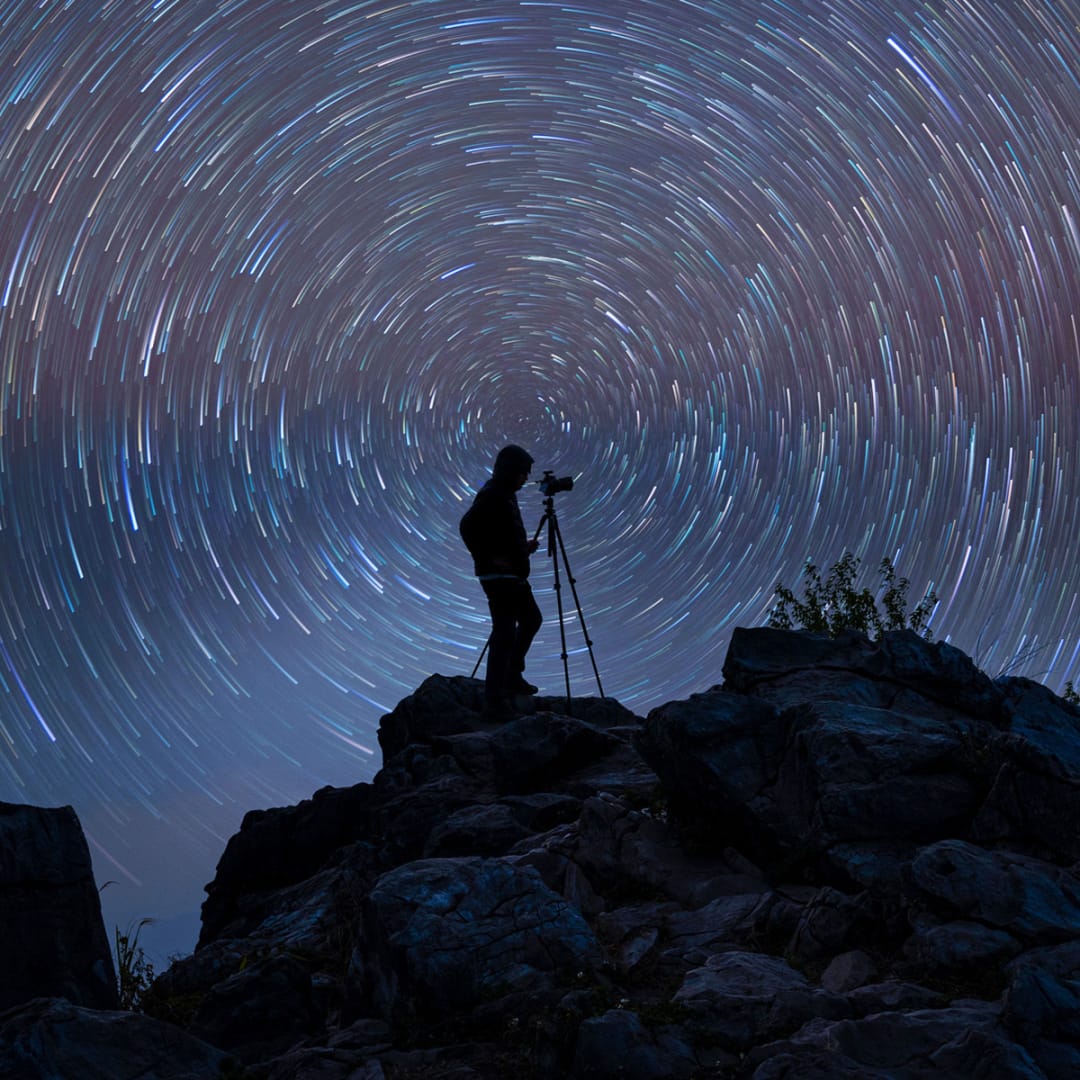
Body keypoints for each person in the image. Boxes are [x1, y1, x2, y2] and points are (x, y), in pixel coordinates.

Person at [460, 444, 543, 717]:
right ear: (510, 471)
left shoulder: (504, 494)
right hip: (499, 577)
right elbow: (468, 526)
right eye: (522, 473)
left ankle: (511, 675)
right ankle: (494, 698)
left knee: (531, 619)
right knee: (505, 631)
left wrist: (522, 550)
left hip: (513, 575)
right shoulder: (494, 494)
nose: (526, 478)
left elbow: (501, 533)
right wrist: (491, 558)